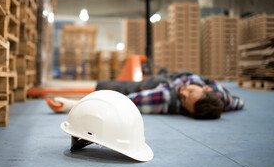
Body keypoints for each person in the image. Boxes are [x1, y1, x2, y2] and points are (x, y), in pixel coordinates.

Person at [46, 70, 244, 120]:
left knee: (116, 89)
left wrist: (74, 105)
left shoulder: (167, 98)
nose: (183, 92)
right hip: (164, 78)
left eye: (185, 100)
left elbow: (127, 103)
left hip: (156, 85)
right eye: (189, 90)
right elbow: (239, 102)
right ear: (208, 89)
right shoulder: (223, 98)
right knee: (120, 84)